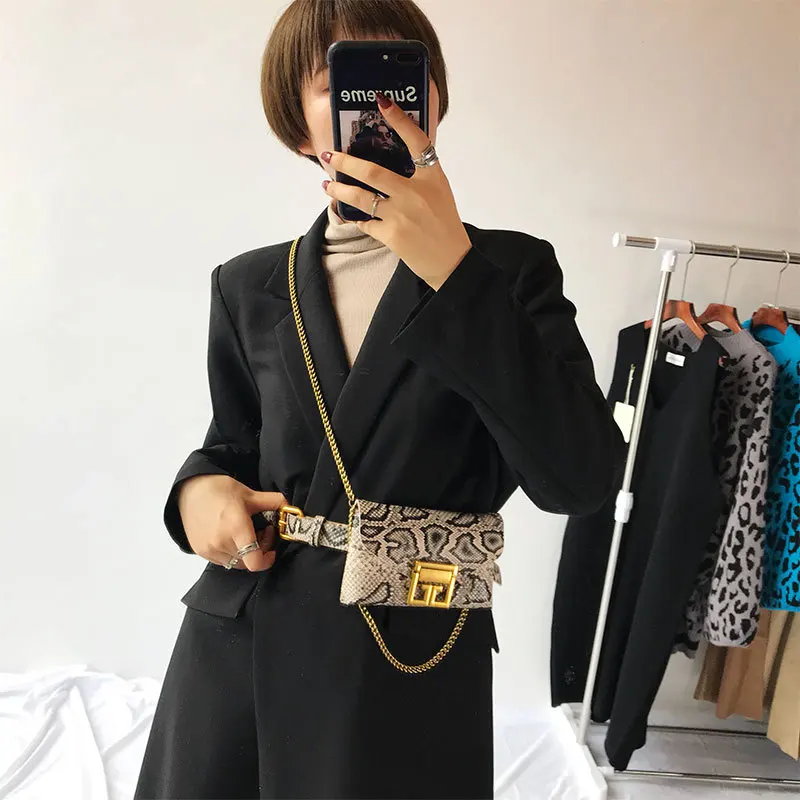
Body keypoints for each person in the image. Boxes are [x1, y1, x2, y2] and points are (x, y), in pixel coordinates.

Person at [134, 1, 626, 798]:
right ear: (299, 128)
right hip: (241, 645)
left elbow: (582, 478)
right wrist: (197, 493)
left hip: (408, 655)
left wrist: (456, 277)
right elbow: (233, 444)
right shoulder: (249, 285)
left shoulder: (511, 273)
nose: (379, 104)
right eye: (342, 84)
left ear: (437, 98)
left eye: (402, 76)